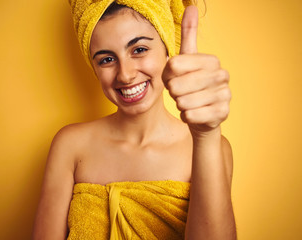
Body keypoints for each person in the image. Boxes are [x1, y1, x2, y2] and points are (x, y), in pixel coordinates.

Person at [33, 0, 236, 239]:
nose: (125, 74)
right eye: (106, 59)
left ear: (166, 46)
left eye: (139, 49)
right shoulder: (70, 145)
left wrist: (206, 135)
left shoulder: (212, 147)